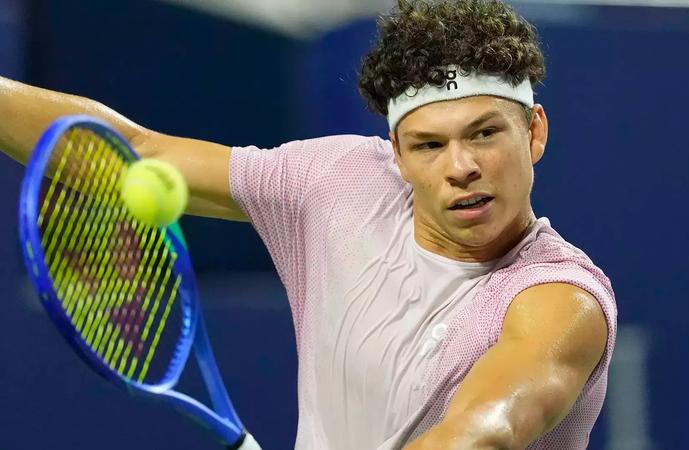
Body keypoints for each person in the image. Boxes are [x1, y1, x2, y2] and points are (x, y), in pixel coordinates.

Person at [0, 0, 616, 448]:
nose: (461, 167)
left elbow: (484, 431)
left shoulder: (561, 300)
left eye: (484, 134)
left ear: (533, 132)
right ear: (397, 155)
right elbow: (133, 154)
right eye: (429, 145)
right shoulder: (337, 183)